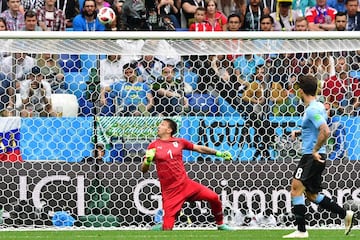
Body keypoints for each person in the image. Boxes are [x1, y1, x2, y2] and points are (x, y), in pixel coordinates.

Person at [282, 75, 354, 238]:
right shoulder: (319, 106)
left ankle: (301, 231)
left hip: (311, 157)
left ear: (301, 91)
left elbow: (325, 131)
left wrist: (314, 150)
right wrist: (300, 132)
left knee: (295, 190)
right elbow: (318, 127)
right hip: (314, 157)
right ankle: (345, 214)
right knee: (311, 195)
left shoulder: (312, 109)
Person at [141, 118, 233, 231]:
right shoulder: (153, 145)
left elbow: (199, 148)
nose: (159, 126)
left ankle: (220, 225)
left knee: (214, 198)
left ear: (169, 130)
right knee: (167, 229)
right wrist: (147, 161)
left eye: (162, 124)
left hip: (186, 185)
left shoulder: (179, 142)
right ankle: (161, 227)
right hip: (170, 192)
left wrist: (219, 153)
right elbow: (144, 170)